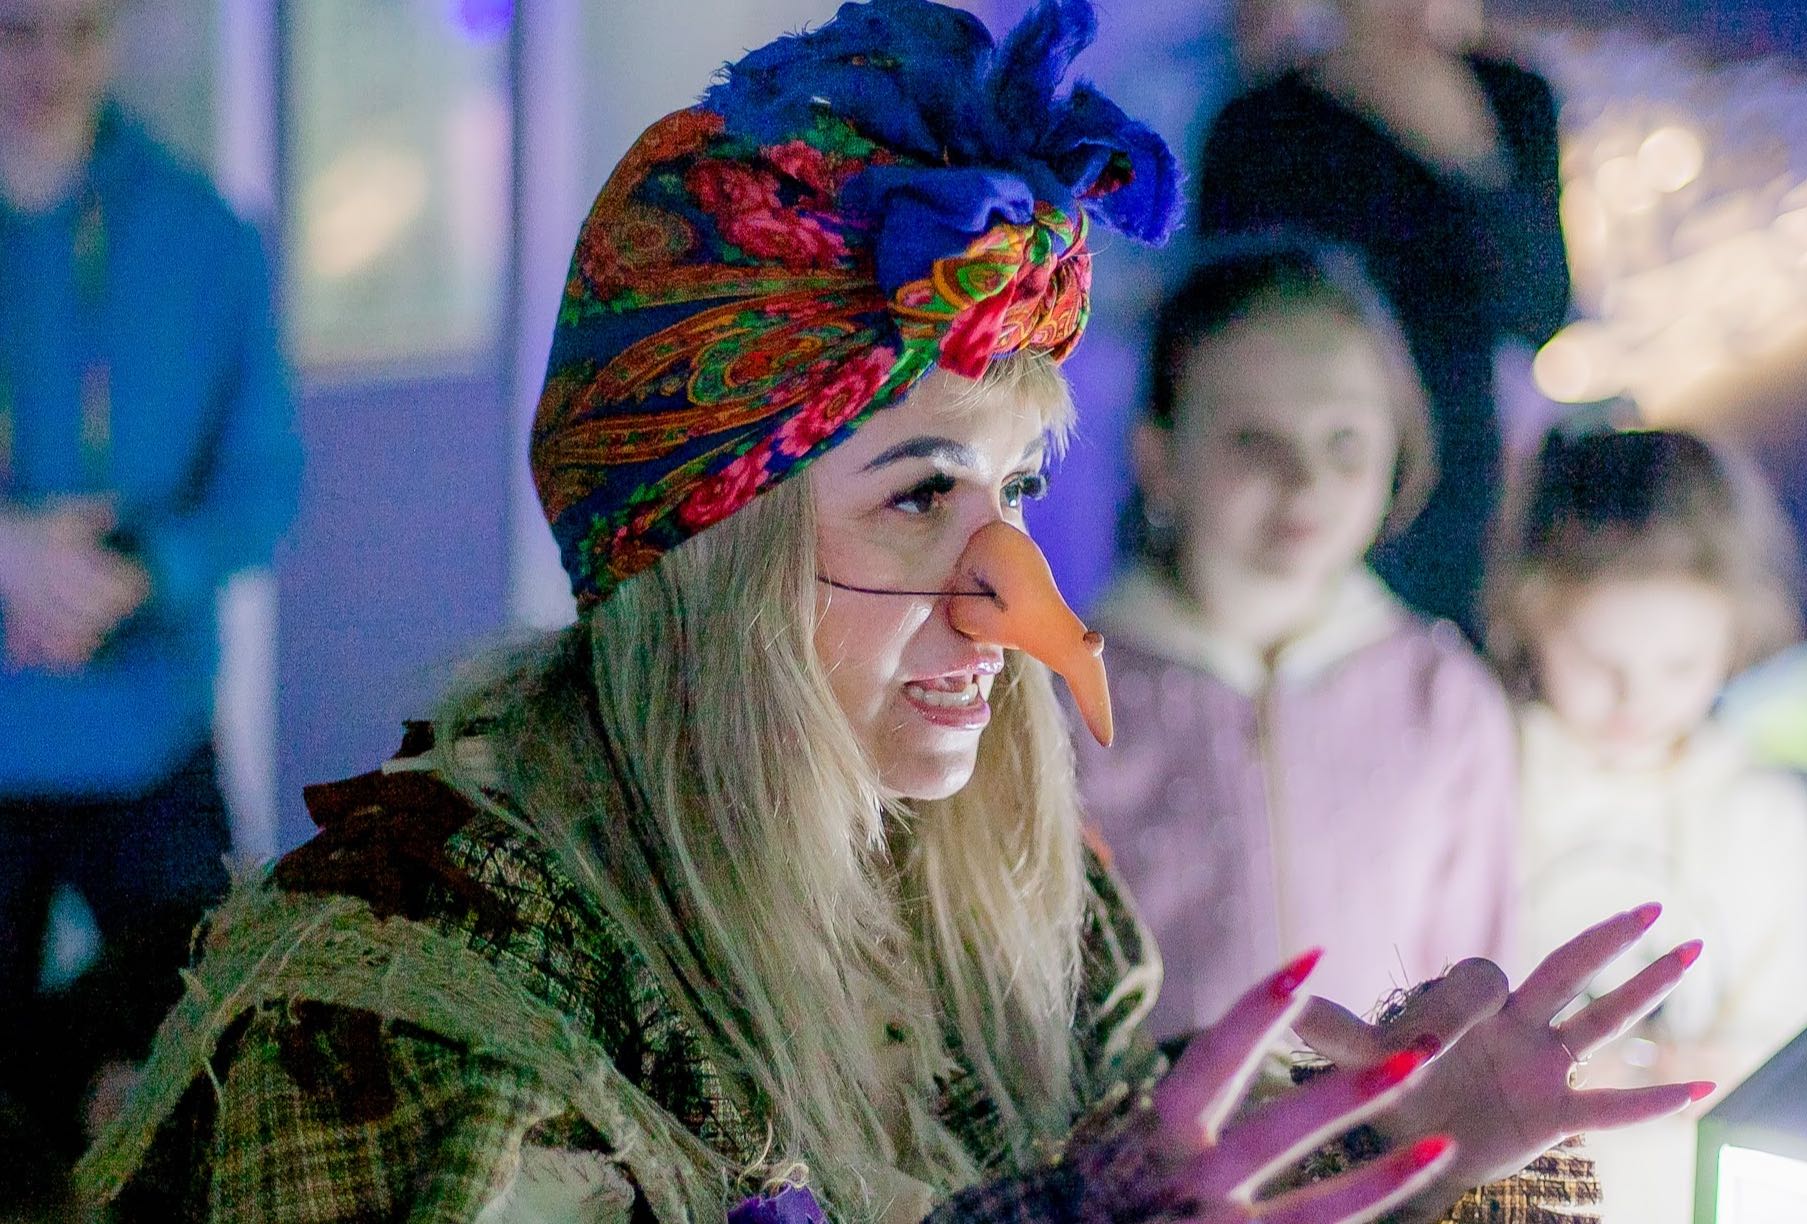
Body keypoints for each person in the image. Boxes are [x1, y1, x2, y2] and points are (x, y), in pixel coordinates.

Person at [79, 4, 1707, 1221]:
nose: (1009, 600)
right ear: (709, 548)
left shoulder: (1011, 894)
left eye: (1017, 489)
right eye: (921, 493)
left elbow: (1127, 1137)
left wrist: (1398, 1149)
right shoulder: (405, 1015)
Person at [0, 0, 299, 1194]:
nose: (50, 64)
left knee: (203, 1075)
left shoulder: (204, 232)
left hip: (150, 732)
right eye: (17, 31)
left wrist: (137, 574)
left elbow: (264, 483)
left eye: (80, 30)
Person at [1076, 243, 1519, 1040]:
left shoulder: (1444, 700)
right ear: (1159, 457)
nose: (1306, 480)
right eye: (1254, 440)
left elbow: (1477, 992)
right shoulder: (1065, 699)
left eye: (1343, 439)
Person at [1487, 428, 1807, 1223]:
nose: (1635, 700)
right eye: (1599, 663)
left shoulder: (1764, 818)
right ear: (1531, 616)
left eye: (1679, 666)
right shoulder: (1485, 776)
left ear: (1736, 640)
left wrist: (1694, 1069)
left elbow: (1791, 1051)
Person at [1195, 0, 1570, 641]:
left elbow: (1540, 309)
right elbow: (1220, 318)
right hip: (1300, 459)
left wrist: (1469, 153)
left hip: (1452, 468)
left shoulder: (1511, 98)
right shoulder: (1259, 123)